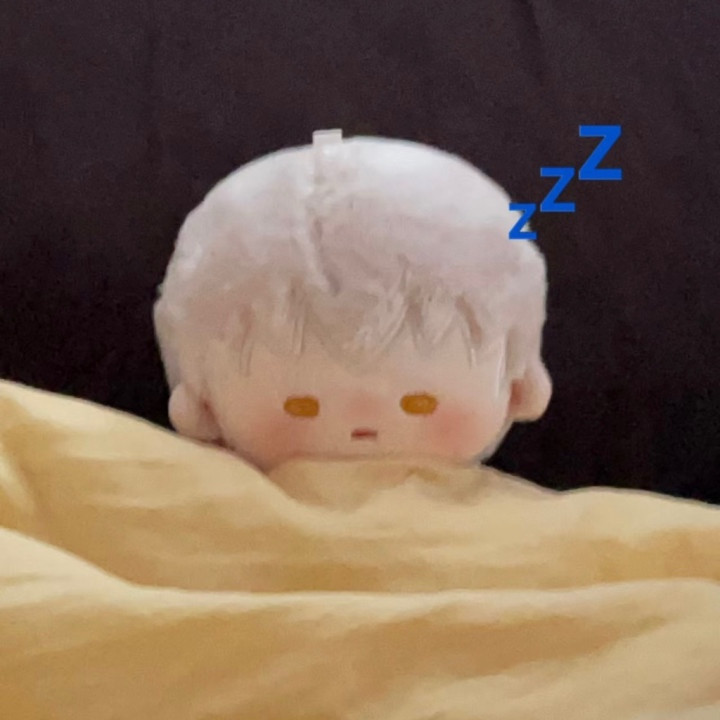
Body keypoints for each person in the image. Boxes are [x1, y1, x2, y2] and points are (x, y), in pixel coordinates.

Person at [154, 130, 551, 471]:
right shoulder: (215, 500)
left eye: (419, 402)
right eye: (302, 406)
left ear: (520, 388)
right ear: (202, 405)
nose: (362, 422)